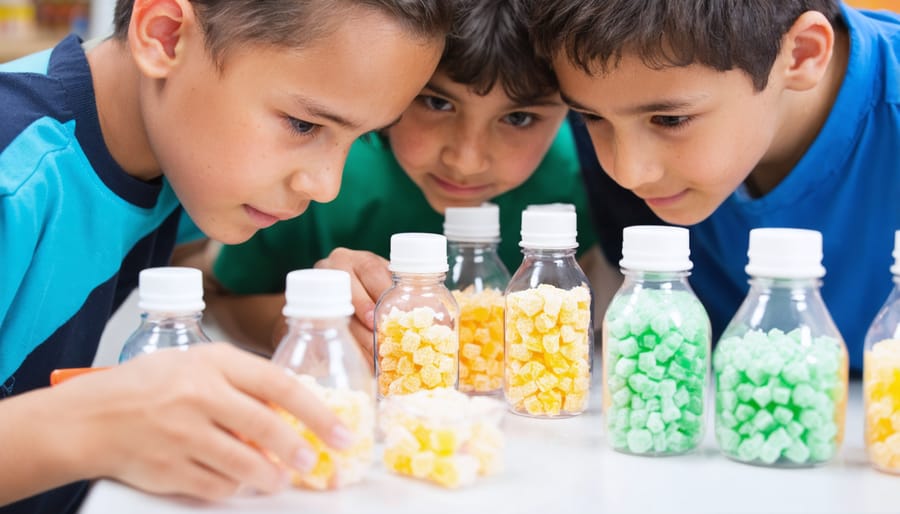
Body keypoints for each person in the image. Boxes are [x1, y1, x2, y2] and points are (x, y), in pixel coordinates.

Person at [0, 0, 450, 511]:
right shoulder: (14, 173)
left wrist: (307, 322)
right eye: (304, 125)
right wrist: (94, 423)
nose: (326, 186)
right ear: (165, 36)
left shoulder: (172, 152)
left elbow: (198, 275)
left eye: (362, 137)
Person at [196, 0, 618, 357]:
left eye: (519, 118)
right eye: (436, 102)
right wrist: (299, 321)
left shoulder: (582, 175)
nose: (466, 160)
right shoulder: (315, 174)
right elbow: (221, 299)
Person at [529, 0, 900, 373]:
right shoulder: (610, 99)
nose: (628, 174)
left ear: (802, 54)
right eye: (590, 117)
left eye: (670, 120)